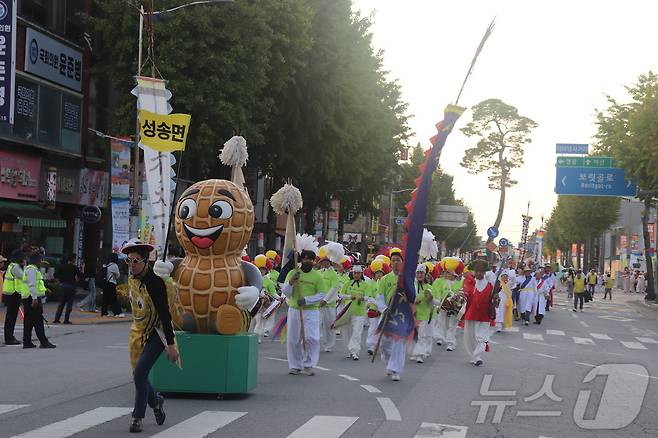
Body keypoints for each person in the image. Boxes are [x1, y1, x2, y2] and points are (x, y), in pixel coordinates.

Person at [122, 240, 179, 433]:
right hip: (138, 332)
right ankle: (156, 402)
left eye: (135, 261)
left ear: (146, 261)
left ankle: (137, 417)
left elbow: (165, 314)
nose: (131, 265)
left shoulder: (155, 284)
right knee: (139, 375)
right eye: (128, 261)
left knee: (140, 373)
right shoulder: (132, 279)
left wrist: (170, 345)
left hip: (157, 333)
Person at [281, 248, 327, 376]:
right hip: (295, 310)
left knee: (311, 338)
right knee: (294, 339)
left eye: (310, 259)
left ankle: (308, 364)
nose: (307, 261)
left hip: (311, 312)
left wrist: (307, 300)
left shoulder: (318, 276)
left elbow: (322, 294)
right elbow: (285, 292)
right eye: (305, 258)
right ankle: (295, 365)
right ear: (301, 260)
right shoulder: (293, 273)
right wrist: (291, 282)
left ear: (313, 261)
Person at [375, 248, 406, 381]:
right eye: (393, 260)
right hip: (387, 313)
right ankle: (388, 361)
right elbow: (379, 296)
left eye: (398, 260)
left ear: (402, 262)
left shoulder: (407, 279)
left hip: (401, 315)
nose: (395, 263)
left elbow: (412, 296)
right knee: (384, 343)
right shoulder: (385, 279)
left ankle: (395, 369)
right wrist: (383, 308)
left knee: (398, 343)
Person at [462, 259, 498, 366]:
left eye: (481, 271)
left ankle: (478, 357)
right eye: (476, 271)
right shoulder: (470, 283)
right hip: (471, 313)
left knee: (482, 337)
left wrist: (496, 298)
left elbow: (495, 302)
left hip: (484, 315)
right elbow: (463, 295)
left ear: (485, 272)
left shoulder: (490, 286)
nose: (478, 273)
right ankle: (474, 355)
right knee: (470, 337)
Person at [21, 253, 56, 349]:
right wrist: (35, 298)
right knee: (38, 320)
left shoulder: (29, 269)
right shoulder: (32, 270)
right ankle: (44, 342)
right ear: (36, 261)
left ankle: (27, 342)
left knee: (28, 321)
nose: (41, 262)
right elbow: (32, 285)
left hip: (28, 297)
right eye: (40, 260)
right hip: (32, 298)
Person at [337, 265, 369, 360]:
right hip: (348, 311)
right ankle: (348, 350)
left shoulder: (365, 285)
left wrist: (362, 298)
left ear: (361, 274)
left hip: (359, 312)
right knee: (346, 331)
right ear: (352, 273)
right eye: (355, 273)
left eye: (358, 273)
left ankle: (355, 351)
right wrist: (350, 297)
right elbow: (341, 295)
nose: (356, 275)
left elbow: (369, 296)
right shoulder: (348, 283)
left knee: (357, 332)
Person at [431, 259, 464, 351]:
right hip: (442, 306)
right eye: (445, 271)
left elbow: (462, 293)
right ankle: (440, 337)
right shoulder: (439, 281)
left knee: (452, 325)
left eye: (449, 271)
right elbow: (435, 292)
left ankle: (451, 342)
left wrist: (456, 299)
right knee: (441, 322)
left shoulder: (460, 282)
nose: (446, 273)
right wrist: (439, 302)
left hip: (454, 307)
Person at [410, 265, 433, 363]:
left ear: (425, 275)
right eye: (418, 273)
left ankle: (419, 354)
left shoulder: (429, 287)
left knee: (422, 335)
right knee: (414, 334)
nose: (419, 275)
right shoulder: (412, 286)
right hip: (413, 314)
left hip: (424, 314)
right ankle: (414, 352)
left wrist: (430, 299)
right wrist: (413, 301)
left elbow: (434, 302)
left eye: (421, 273)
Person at [3, 251, 24, 345]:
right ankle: (9, 338)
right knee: (11, 317)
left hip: (11, 294)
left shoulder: (11, 265)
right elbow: (23, 276)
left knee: (10, 317)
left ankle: (9, 337)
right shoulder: (15, 267)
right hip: (13, 294)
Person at [54, 254, 82, 324]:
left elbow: (55, 275)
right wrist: (76, 281)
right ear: (73, 259)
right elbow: (80, 276)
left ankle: (57, 319)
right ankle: (66, 319)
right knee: (69, 304)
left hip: (63, 285)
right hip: (71, 286)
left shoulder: (63, 267)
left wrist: (59, 281)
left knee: (61, 303)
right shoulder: (75, 267)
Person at [365, 260, 385, 355]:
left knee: (381, 328)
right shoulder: (370, 284)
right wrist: (378, 304)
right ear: (374, 274)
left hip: (383, 311)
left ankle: (380, 345)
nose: (379, 275)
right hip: (374, 310)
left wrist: (383, 307)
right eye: (377, 273)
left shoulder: (384, 284)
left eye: (380, 273)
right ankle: (372, 346)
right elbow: (370, 297)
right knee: (373, 327)